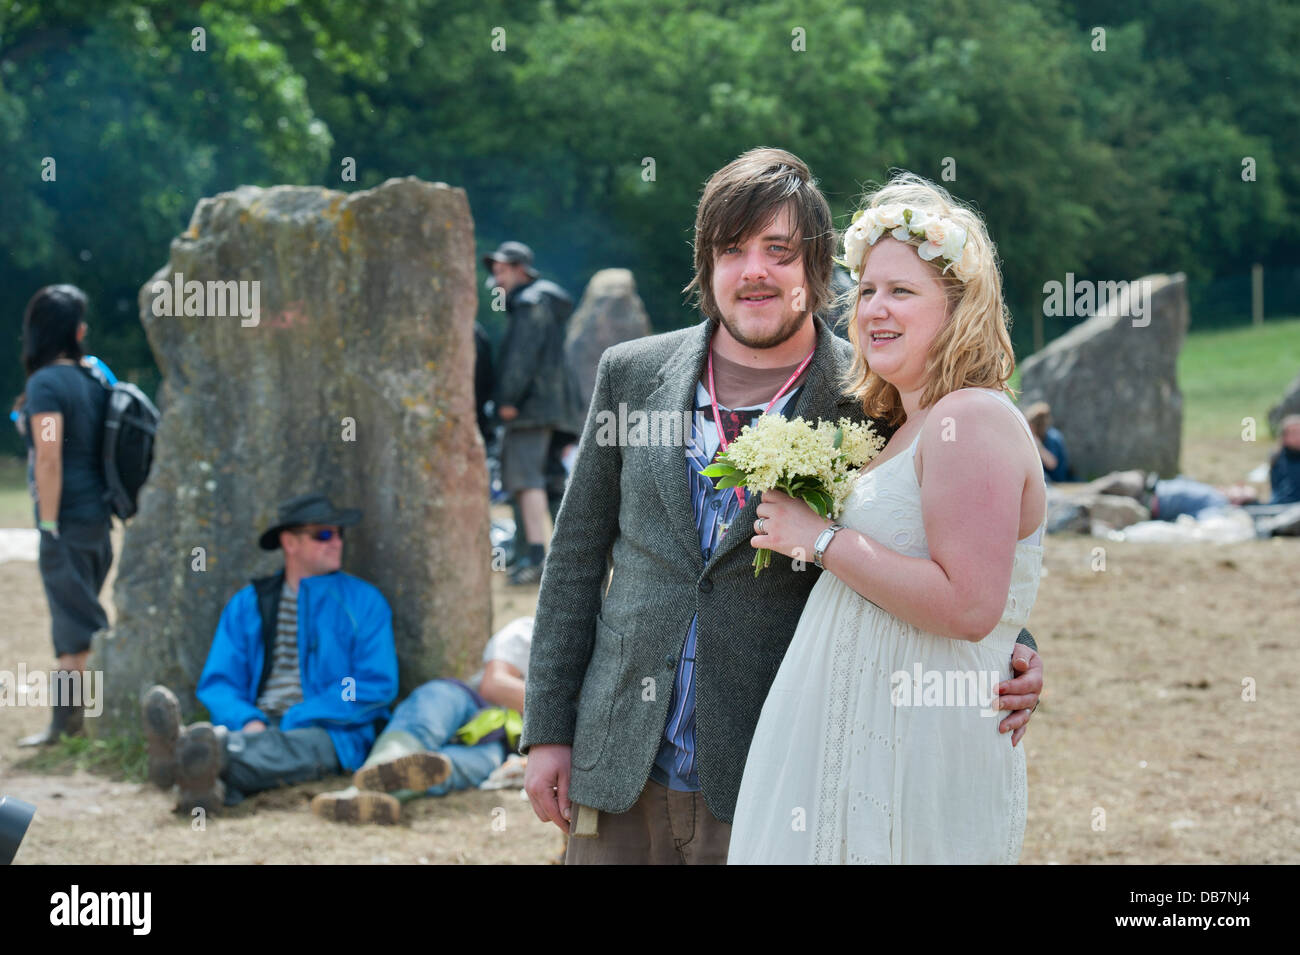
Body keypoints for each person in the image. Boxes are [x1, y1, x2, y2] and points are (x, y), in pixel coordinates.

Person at [520, 149, 1044, 865]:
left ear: (817, 272)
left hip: (777, 771)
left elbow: (949, 542)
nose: (754, 271)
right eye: (730, 250)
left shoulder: (874, 398)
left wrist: (1016, 650)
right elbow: (574, 561)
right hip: (619, 768)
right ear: (706, 266)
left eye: (779, 251)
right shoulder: (630, 375)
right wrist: (548, 728)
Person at [729, 173, 1044, 864]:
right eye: (867, 290)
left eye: (902, 291)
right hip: (856, 740)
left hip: (915, 754)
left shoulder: (971, 417)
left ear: (959, 307)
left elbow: (969, 604)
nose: (875, 308)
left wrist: (820, 538)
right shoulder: (904, 424)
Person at [140, 493, 398, 814]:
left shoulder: (364, 603)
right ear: (290, 543)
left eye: (339, 533)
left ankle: (188, 755)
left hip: (330, 730)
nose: (336, 542)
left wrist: (299, 716)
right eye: (323, 534)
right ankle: (205, 784)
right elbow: (219, 684)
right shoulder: (248, 605)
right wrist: (247, 720)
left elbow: (375, 684)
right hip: (255, 725)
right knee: (265, 750)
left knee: (297, 747)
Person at [311, 616, 532, 824]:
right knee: (422, 725)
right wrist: (557, 708)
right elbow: (495, 684)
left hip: (501, 746)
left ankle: (366, 800)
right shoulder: (527, 630)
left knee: (445, 767)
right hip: (468, 701)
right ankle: (371, 778)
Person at [14, 285, 113, 747]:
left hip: (67, 521)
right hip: (97, 519)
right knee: (73, 627)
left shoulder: (47, 385)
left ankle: (78, 725)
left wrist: (49, 524)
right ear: (74, 331)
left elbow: (48, 454)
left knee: (79, 630)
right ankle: (71, 725)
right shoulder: (94, 379)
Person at [486, 241, 581, 585]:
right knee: (553, 482)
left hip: (531, 409)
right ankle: (572, 560)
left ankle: (536, 558)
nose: (496, 281)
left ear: (520, 270)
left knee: (525, 481)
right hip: (557, 409)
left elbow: (521, 357)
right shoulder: (546, 302)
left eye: (500, 271)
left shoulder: (528, 303)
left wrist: (507, 399)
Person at [1025, 401, 1070, 482]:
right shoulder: (1043, 436)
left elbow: (1052, 464)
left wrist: (1038, 446)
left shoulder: (1052, 438)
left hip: (1055, 479)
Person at [1269, 414, 1300, 505]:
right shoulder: (1278, 459)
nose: (1298, 437)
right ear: (1284, 437)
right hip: (1284, 506)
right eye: (1294, 433)